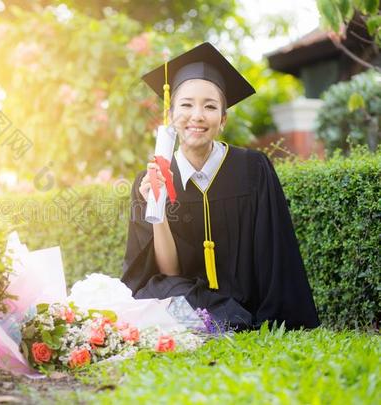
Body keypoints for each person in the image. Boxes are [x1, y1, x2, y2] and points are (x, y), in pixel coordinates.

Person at [121, 42, 320, 330]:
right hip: (186, 296)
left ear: (223, 119)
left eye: (210, 106)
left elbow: (271, 254)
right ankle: (215, 318)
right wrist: (159, 208)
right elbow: (168, 273)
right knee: (155, 294)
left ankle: (226, 317)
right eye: (186, 105)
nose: (197, 115)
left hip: (247, 301)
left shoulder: (253, 169)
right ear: (171, 114)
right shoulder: (150, 180)